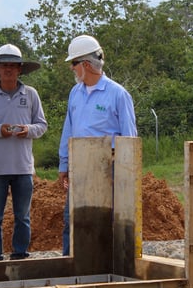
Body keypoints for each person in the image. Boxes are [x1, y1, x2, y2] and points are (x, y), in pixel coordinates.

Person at [58, 34, 137, 255]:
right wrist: (64, 164)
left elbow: (129, 138)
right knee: (72, 218)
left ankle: (107, 265)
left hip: (108, 168)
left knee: (105, 219)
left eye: (74, 63)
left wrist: (124, 173)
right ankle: (70, 264)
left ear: (85, 64)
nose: (72, 68)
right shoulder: (75, 93)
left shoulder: (118, 94)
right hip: (79, 167)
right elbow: (68, 130)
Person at [0, 44, 48, 261]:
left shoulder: (30, 94)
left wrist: (28, 130)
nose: (8, 69)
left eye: (13, 66)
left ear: (20, 69)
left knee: (22, 216)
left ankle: (20, 254)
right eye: (4, 65)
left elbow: (42, 125)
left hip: (23, 167)